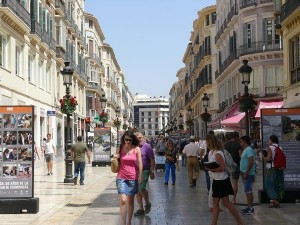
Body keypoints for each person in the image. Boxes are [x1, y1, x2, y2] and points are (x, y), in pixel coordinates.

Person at [205, 134, 244, 225]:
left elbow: (222, 168)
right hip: (216, 180)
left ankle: (240, 221)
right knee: (216, 204)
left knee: (226, 203)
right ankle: (213, 223)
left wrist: (211, 169)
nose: (206, 144)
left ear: (210, 142)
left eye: (207, 142)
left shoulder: (218, 153)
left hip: (222, 180)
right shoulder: (212, 152)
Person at [113, 131, 143, 225]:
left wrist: (140, 176)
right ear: (124, 139)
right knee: (123, 200)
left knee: (130, 201)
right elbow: (116, 159)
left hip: (133, 177)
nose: (128, 141)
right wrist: (115, 157)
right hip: (121, 177)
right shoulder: (120, 148)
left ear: (133, 140)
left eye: (130, 140)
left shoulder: (136, 149)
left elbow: (140, 163)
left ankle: (129, 221)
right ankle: (123, 223)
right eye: (126, 139)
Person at [134, 132, 155, 216]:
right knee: (137, 191)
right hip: (135, 171)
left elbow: (152, 159)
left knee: (141, 188)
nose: (138, 139)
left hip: (145, 170)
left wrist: (152, 171)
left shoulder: (147, 146)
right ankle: (140, 209)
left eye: (140, 137)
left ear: (143, 137)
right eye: (137, 138)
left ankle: (147, 203)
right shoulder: (133, 147)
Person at [264, 134, 284, 208]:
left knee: (269, 184)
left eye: (269, 140)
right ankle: (273, 201)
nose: (268, 141)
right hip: (279, 169)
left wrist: (264, 157)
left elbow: (269, 159)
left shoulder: (270, 147)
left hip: (272, 169)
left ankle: (275, 201)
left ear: (272, 140)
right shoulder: (280, 147)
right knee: (276, 185)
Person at [223, 132, 243, 204]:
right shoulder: (238, 145)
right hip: (235, 165)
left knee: (225, 182)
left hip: (226, 166)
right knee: (235, 183)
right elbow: (241, 155)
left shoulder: (225, 144)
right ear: (236, 137)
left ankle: (226, 199)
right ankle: (234, 199)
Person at [239, 136, 255, 215]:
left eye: (241, 141)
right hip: (244, 173)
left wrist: (246, 172)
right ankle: (249, 206)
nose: (240, 142)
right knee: (247, 190)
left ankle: (251, 208)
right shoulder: (246, 150)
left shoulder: (249, 150)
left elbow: (251, 162)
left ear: (245, 141)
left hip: (248, 174)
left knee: (248, 190)